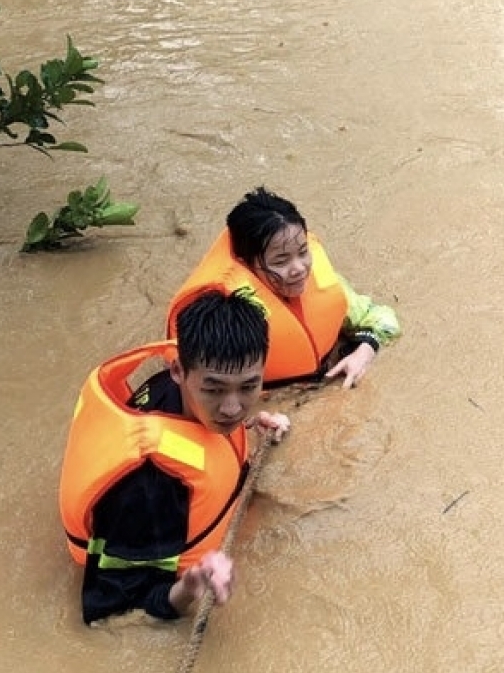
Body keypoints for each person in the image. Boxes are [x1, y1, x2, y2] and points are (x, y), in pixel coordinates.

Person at [58, 288, 290, 625]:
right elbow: (110, 613)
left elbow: (205, 435)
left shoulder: (182, 392)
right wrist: (190, 586)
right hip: (144, 529)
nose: (232, 407)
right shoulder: (152, 487)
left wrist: (252, 425)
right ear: (178, 370)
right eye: (213, 389)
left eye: (249, 387)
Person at [165, 187, 400, 391]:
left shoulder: (317, 278)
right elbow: (199, 391)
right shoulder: (227, 313)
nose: (298, 269)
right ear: (247, 264)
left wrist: (365, 350)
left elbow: (382, 318)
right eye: (280, 261)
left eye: (303, 252)